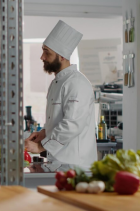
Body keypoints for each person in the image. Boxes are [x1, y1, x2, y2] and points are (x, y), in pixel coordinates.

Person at [25, 20, 97, 172]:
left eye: (47, 52)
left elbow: (72, 124)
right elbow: (57, 119)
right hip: (58, 163)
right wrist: (44, 133)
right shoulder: (57, 82)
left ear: (62, 56)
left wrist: (40, 146)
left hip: (75, 166)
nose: (42, 57)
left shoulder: (77, 83)